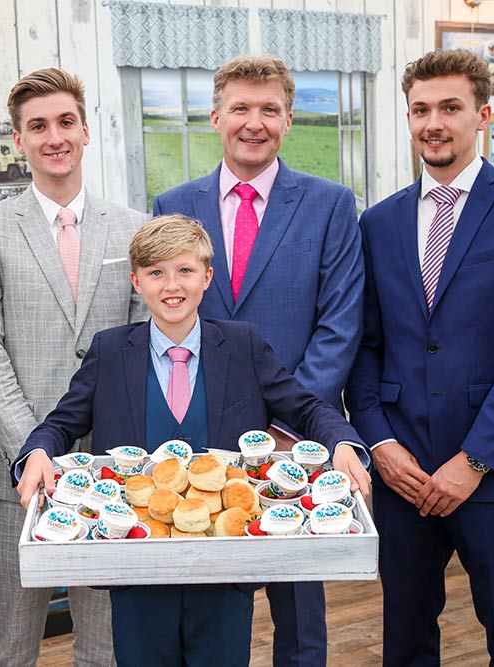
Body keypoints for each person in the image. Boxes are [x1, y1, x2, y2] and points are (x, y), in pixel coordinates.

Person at [13, 214, 370, 667]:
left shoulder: (243, 345)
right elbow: (61, 423)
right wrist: (39, 451)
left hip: (225, 570)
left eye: (184, 270)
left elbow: (306, 408)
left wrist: (341, 442)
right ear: (135, 282)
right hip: (138, 571)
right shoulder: (109, 351)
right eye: (156, 272)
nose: (171, 285)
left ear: (207, 276)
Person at [345, 49, 494, 667]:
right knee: (406, 642)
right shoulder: (378, 222)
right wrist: (381, 447)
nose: (433, 123)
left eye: (450, 107)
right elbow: (365, 348)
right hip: (403, 477)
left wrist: (474, 461)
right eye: (420, 110)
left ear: (483, 116)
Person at [152, 54, 366, 667]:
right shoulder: (175, 202)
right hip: (204, 439)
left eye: (269, 109)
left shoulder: (329, 204)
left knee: (299, 609)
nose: (254, 122)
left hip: (297, 438)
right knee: (211, 601)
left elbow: (340, 324)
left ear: (289, 120)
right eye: (241, 108)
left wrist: (286, 423)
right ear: (215, 116)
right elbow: (169, 315)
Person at [0, 67, 147, 667]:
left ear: (86, 130)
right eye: (37, 126)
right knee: (13, 645)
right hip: (18, 476)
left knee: (105, 644)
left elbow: (141, 346)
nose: (54, 136)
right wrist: (32, 449)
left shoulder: (132, 227)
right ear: (18, 141)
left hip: (109, 467)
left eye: (66, 122)